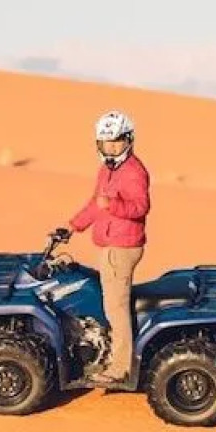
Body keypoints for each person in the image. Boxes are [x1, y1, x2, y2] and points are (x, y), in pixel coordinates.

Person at [60, 110, 151, 387]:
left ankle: (120, 368)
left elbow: (141, 207)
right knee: (108, 301)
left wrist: (112, 206)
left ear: (128, 140)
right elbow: (94, 203)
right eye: (105, 143)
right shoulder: (107, 171)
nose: (111, 148)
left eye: (116, 142)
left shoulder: (133, 171)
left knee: (115, 306)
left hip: (122, 247)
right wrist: (73, 226)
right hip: (110, 244)